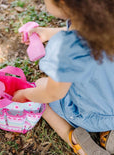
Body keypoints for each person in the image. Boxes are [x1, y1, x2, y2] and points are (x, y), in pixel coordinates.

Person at [12, 0, 114, 154]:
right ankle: (108, 133)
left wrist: (25, 94)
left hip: (93, 115)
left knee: (39, 87)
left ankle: (73, 138)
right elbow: (83, 31)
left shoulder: (68, 49)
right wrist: (47, 33)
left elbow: (53, 93)